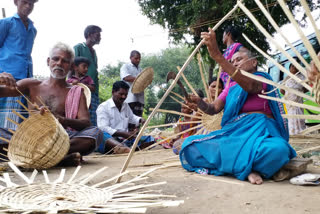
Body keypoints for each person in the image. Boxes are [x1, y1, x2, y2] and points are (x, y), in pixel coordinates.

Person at [178, 28, 296, 185]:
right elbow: (213, 109)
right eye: (232, 62)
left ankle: (238, 165)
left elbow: (251, 87)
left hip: (263, 133)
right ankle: (249, 168)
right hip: (235, 134)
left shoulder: (261, 79)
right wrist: (200, 102)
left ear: (254, 62)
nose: (234, 64)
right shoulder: (230, 87)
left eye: (239, 60)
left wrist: (219, 57)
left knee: (278, 150)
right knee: (189, 145)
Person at [0, 42, 103, 166]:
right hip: (30, 138)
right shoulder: (31, 85)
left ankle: (36, 157)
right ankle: (59, 158)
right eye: (56, 59)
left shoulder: (76, 91)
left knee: (95, 133)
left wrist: (61, 119)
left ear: (70, 67)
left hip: (61, 138)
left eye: (65, 61)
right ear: (48, 61)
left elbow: (86, 123)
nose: (59, 63)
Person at [0, 0, 38, 129]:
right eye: (25, 2)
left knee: (20, 121)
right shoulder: (6, 23)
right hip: (7, 78)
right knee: (6, 121)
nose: (28, 6)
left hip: (25, 78)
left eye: (31, 3)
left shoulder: (33, 29)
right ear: (16, 2)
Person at [96, 81, 155, 154]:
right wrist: (123, 133)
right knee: (101, 134)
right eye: (121, 94)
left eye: (126, 94)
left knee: (150, 139)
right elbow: (103, 127)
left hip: (125, 139)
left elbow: (132, 117)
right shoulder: (103, 107)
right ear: (113, 92)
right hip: (110, 140)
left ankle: (125, 149)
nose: (123, 97)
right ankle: (123, 148)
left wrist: (140, 120)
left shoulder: (125, 106)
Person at [74, 25, 102, 126]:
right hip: (80, 90)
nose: (100, 37)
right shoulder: (79, 48)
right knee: (80, 117)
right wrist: (71, 85)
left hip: (93, 91)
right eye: (98, 35)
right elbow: (71, 67)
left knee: (92, 118)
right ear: (89, 35)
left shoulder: (94, 52)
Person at [280, 59, 306, 135]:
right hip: (290, 103)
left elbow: (306, 87)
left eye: (296, 66)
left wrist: (299, 93)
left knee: (299, 116)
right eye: (292, 66)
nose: (294, 67)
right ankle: (292, 133)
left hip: (298, 101)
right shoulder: (287, 78)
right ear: (290, 68)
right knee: (291, 117)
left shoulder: (302, 77)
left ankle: (301, 132)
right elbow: (282, 90)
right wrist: (289, 95)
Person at [120, 50, 144, 117]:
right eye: (136, 58)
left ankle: (137, 127)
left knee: (138, 118)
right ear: (131, 57)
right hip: (130, 97)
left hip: (140, 98)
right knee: (129, 118)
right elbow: (125, 77)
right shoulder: (125, 66)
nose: (138, 60)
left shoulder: (141, 69)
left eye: (139, 58)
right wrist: (139, 79)